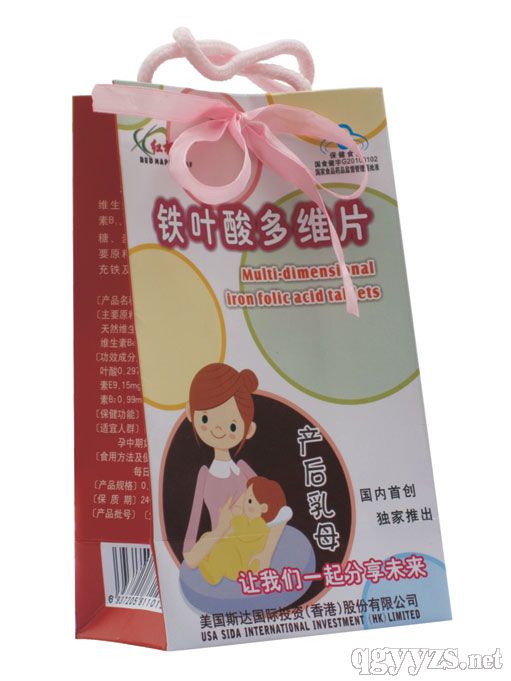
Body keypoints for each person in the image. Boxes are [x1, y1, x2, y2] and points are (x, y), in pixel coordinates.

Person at [182, 363, 292, 570]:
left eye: (232, 426)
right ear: (190, 413)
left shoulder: (243, 469)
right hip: (220, 549)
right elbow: (190, 547)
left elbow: (280, 511)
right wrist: (221, 529)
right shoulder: (204, 475)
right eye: (205, 418)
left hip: (253, 544)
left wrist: (266, 554)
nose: (217, 430)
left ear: (248, 430)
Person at [184, 477, 286, 584]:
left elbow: (243, 534)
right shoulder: (246, 520)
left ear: (263, 508)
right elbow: (233, 531)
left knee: (224, 549)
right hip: (237, 555)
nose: (245, 504)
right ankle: (207, 561)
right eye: (246, 499)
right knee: (208, 537)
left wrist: (229, 523)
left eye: (249, 501)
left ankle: (212, 574)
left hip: (243, 566)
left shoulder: (260, 525)